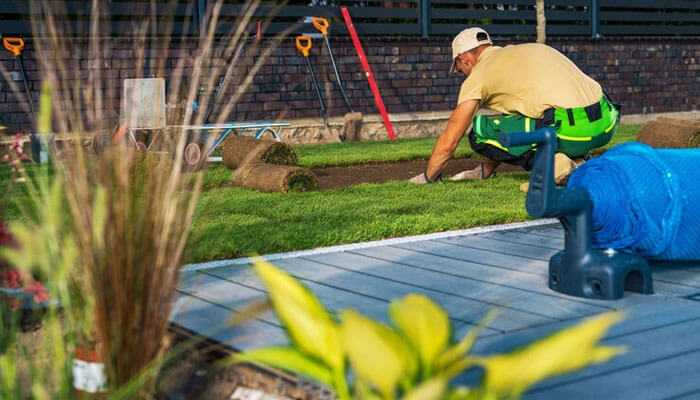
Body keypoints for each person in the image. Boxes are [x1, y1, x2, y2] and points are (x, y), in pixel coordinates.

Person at [409, 27, 619, 184]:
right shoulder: (526, 51)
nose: (461, 74)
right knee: (516, 124)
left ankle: (555, 165)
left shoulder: (479, 76)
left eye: (458, 68)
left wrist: (429, 176)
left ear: (465, 59)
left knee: (480, 130)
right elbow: (511, 127)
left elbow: (450, 138)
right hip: (605, 122)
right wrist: (484, 169)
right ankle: (579, 160)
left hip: (570, 130)